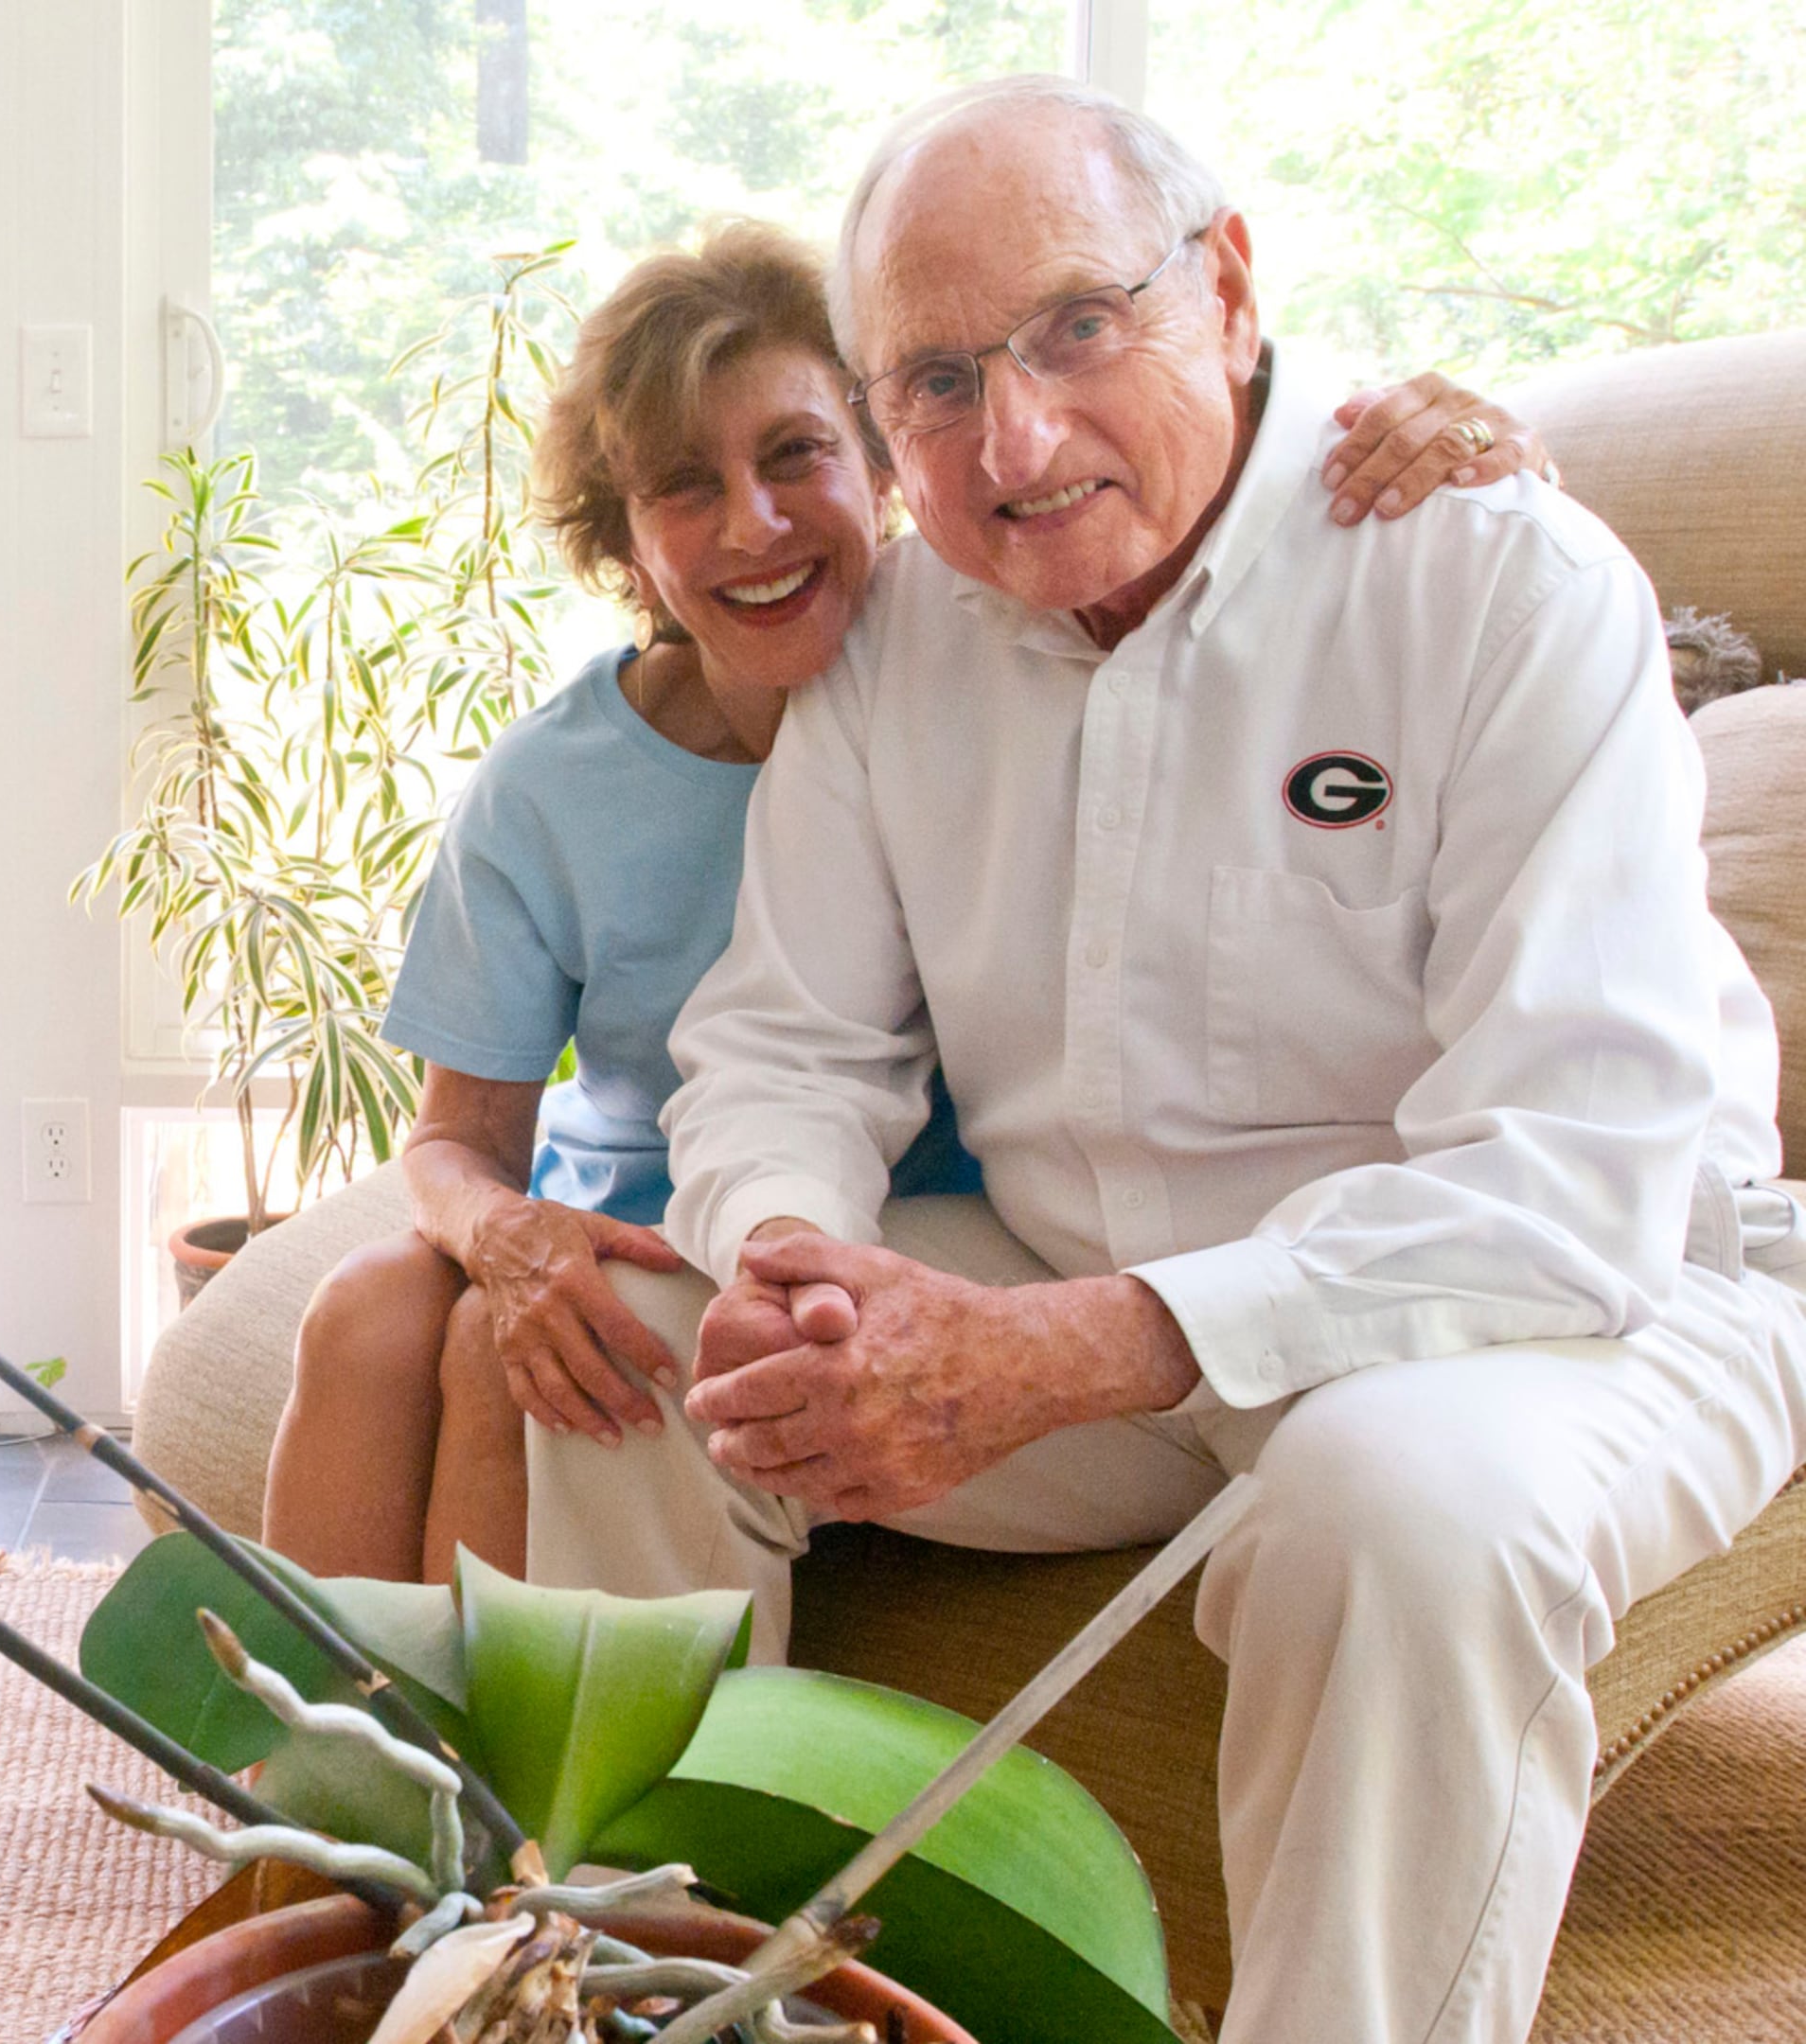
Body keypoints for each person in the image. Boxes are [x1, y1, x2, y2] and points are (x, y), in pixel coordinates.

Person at [525, 74, 1806, 2043]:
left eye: (1074, 329)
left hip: (1575, 1311)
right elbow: (780, 1041)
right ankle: (615, 1985)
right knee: (638, 1338)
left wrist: (1074, 1347)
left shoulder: (1493, 576)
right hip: (1093, 1291)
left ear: (1225, 284)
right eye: (934, 383)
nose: (1013, 439)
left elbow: (1579, 1184)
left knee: (1397, 1504)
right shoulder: (900, 643)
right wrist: (793, 1253)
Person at [260, 215, 1549, 1585]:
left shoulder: (1004, 652)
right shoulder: (553, 790)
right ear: (626, 548)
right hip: (657, 1215)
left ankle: (478, 1785)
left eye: (798, 457)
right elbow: (459, 1135)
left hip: (953, 1231)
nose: (753, 525)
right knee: (371, 1313)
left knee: (492, 1355)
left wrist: (1477, 448)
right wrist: (508, 1239)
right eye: (682, 488)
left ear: (886, 466)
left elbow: (1228, 487)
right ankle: (292, 1759)